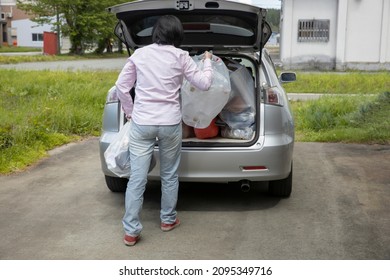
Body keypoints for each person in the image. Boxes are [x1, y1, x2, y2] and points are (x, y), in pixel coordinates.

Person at [115, 15, 214, 246]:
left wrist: (130, 111)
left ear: (156, 33)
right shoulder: (181, 57)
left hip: (142, 123)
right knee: (169, 174)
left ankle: (131, 231)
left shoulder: (139, 54)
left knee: (137, 178)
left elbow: (122, 87)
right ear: (178, 35)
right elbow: (205, 84)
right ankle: (168, 220)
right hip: (170, 123)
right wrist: (207, 60)